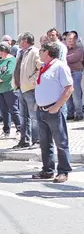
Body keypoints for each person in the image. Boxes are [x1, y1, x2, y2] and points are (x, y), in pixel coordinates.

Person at [33, 41, 73, 183]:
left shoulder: (60, 67)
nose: (39, 53)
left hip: (54, 109)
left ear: (48, 52)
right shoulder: (45, 67)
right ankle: (47, 170)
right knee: (45, 142)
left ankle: (63, 171)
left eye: (41, 51)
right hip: (42, 109)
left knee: (60, 142)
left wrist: (57, 106)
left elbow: (69, 88)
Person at [0, 43, 21, 137]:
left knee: (13, 109)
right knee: (4, 111)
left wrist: (0, 80)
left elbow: (9, 72)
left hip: (9, 88)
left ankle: (19, 129)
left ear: (3, 51)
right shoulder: (0, 61)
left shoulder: (11, 60)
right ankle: (6, 130)